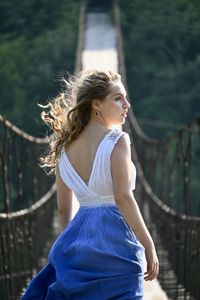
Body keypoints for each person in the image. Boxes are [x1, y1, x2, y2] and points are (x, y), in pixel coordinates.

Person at [22, 70, 159, 299]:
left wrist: (69, 248)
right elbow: (123, 198)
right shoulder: (118, 140)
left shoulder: (63, 148)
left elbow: (64, 209)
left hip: (76, 242)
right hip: (117, 241)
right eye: (118, 98)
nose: (127, 104)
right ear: (97, 104)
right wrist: (148, 244)